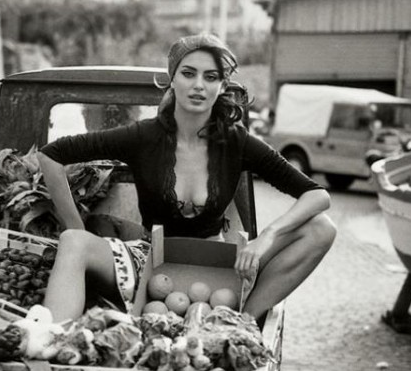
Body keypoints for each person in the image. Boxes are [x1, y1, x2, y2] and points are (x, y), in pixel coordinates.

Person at [32, 33, 337, 323]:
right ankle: (52, 341)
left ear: (222, 86)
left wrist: (267, 237)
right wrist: (76, 227)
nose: (199, 85)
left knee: (321, 228)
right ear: (172, 78)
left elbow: (317, 195)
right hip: (150, 259)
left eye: (211, 77)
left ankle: (241, 321)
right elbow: (51, 155)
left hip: (218, 263)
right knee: (73, 241)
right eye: (188, 73)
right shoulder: (142, 137)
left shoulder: (237, 142)